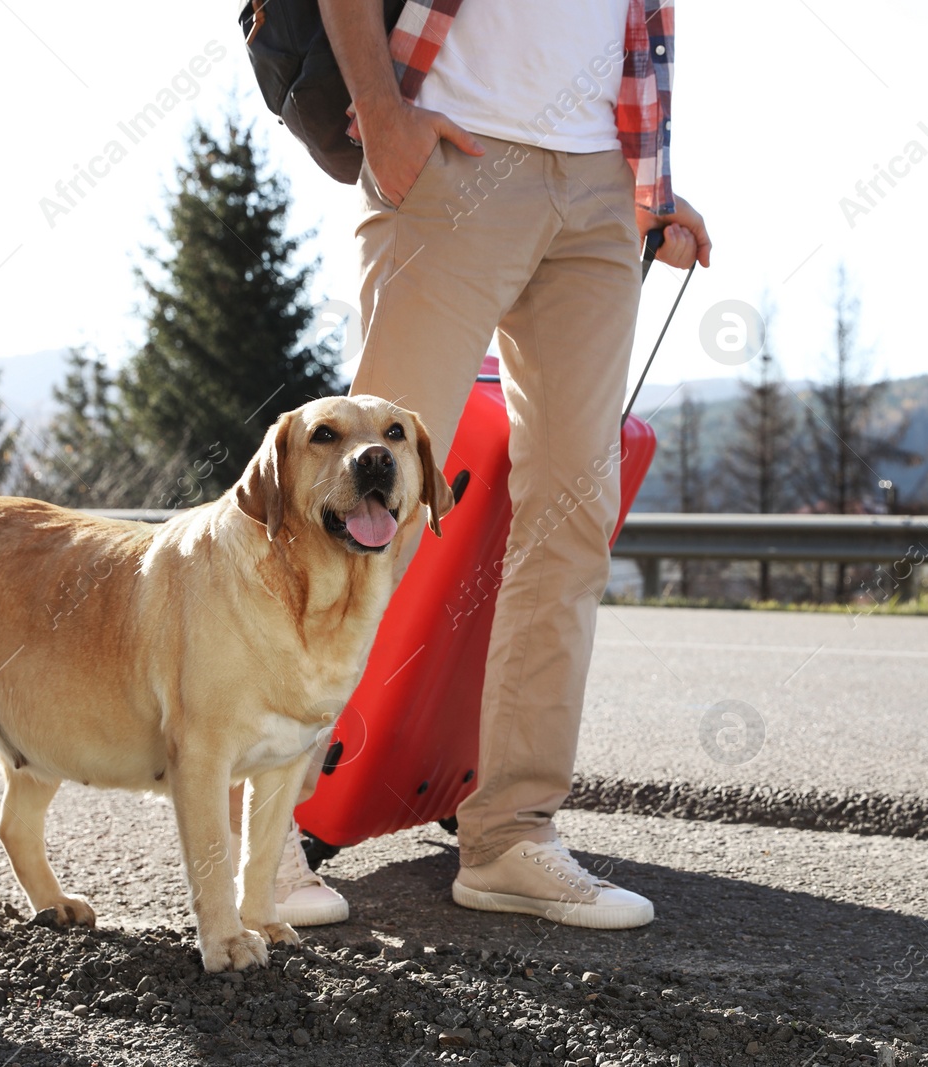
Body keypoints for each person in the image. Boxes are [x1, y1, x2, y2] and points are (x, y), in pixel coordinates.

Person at [274, 0, 711, 930]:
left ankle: (511, 833)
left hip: (600, 181)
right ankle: (261, 821)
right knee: (364, 511)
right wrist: (382, 113)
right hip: (452, 145)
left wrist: (651, 181)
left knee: (571, 519)